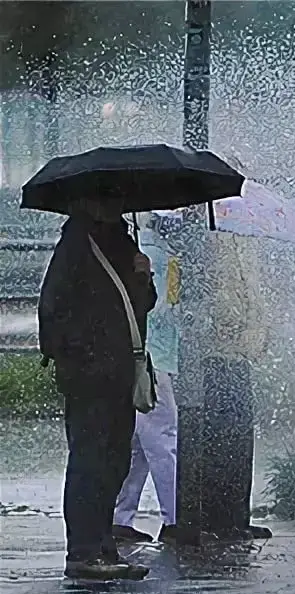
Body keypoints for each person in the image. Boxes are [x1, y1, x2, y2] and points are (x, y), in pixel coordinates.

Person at [38, 200, 157, 581]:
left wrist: (142, 277)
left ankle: (103, 543)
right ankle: (84, 550)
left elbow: (139, 308)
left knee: (115, 460)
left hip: (120, 372)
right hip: (90, 375)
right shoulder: (76, 244)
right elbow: (52, 308)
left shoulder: (120, 241)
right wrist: (83, 353)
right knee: (90, 460)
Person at [112, 217, 181, 544]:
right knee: (163, 438)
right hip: (156, 359)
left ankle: (120, 516)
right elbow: (164, 310)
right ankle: (175, 519)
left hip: (140, 356)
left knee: (138, 445)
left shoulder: (140, 250)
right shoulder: (160, 256)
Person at [202, 218, 272, 540]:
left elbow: (252, 286)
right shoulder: (202, 228)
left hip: (244, 349)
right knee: (218, 435)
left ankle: (237, 516)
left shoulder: (246, 233)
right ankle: (217, 518)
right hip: (214, 349)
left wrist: (260, 326)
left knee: (241, 433)